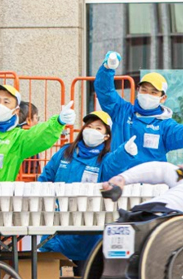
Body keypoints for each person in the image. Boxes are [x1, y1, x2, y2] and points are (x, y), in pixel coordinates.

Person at [38, 111, 132, 267]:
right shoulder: (65, 152)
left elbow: (115, 165)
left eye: (98, 128)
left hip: (88, 233)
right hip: (56, 231)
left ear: (106, 136)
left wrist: (126, 153)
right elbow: (46, 178)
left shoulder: (105, 160)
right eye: (89, 126)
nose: (92, 130)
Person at [95, 50, 183, 168]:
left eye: (154, 92)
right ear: (138, 90)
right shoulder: (121, 111)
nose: (147, 95)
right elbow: (105, 91)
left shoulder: (164, 124)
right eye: (144, 90)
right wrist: (107, 69)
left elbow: (177, 133)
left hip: (150, 183)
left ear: (163, 98)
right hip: (119, 178)